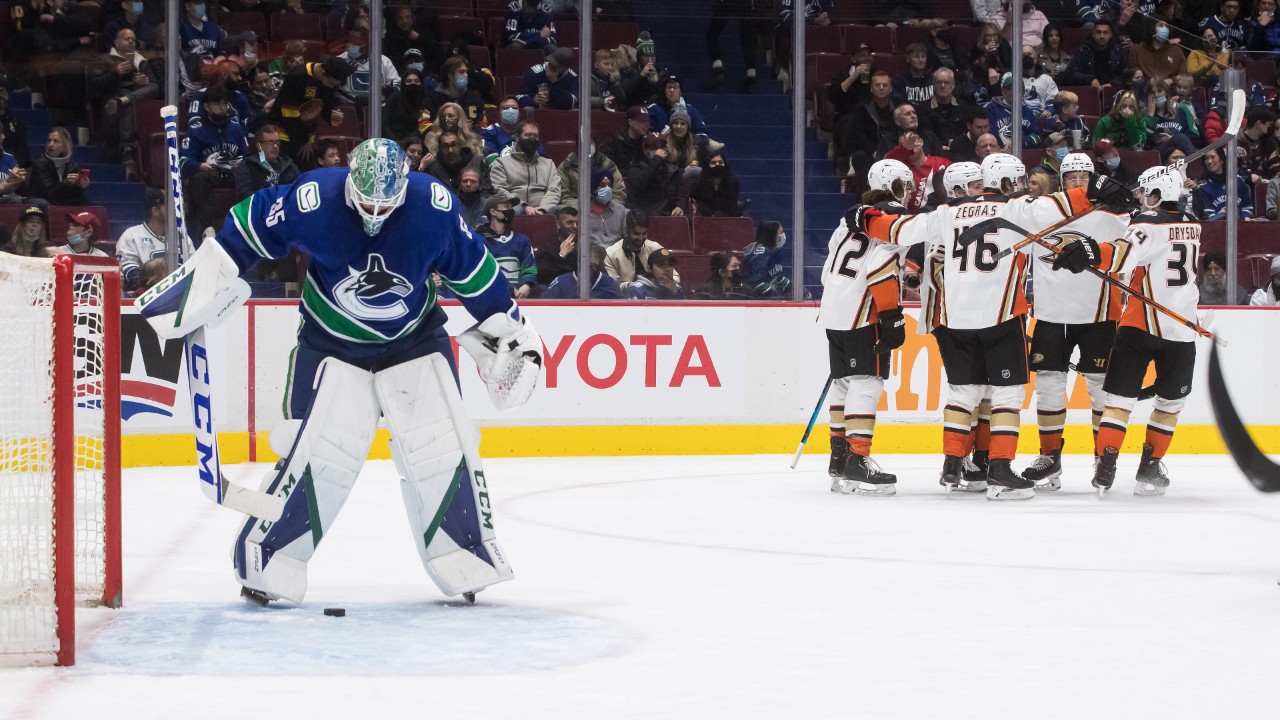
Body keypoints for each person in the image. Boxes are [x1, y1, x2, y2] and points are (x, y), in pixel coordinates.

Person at [140, 138, 540, 605]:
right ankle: (270, 560)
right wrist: (204, 278)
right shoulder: (315, 198)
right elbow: (248, 229)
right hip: (329, 343)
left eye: (383, 202)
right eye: (365, 199)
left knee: (443, 444)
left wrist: (513, 330)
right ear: (350, 181)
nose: (373, 210)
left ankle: (466, 554)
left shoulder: (432, 206)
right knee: (317, 454)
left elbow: (475, 271)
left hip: (414, 339)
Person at [854, 153, 1133, 499]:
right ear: (1004, 183)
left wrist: (867, 218)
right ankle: (999, 470)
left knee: (963, 393)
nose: (1020, 187)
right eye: (1016, 181)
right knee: (1007, 395)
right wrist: (1093, 192)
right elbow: (1058, 205)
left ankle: (952, 466)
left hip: (956, 319)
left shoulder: (945, 212)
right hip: (1000, 318)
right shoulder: (1014, 208)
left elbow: (900, 230)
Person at [1053, 165, 1201, 497]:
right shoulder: (1193, 224)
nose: (1142, 200)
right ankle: (1149, 468)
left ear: (1159, 195)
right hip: (1181, 330)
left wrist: (1090, 252)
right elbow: (1149, 235)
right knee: (1170, 404)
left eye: (1147, 194)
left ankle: (1106, 467)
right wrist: (1129, 210)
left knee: (1119, 402)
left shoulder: (1147, 223)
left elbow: (1122, 253)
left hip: (1140, 326)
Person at [1019, 152, 1133, 491]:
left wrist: (1127, 200)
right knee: (1049, 389)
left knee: (1099, 388)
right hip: (1052, 316)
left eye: (1085, 177)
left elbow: (1136, 242)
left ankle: (1102, 457)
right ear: (1062, 181)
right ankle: (1050, 457)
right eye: (1072, 178)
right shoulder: (1043, 210)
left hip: (1098, 316)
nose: (1079, 183)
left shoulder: (1112, 214)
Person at [819, 160, 909, 495]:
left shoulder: (848, 221)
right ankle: (858, 460)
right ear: (897, 185)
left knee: (843, 385)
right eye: (906, 185)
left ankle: (839, 460)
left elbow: (832, 263)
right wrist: (891, 317)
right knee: (867, 384)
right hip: (863, 312)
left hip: (833, 310)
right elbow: (881, 267)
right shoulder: (893, 217)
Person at [180, 85, 250, 234]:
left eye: (225, 104)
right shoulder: (195, 130)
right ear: (206, 106)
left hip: (233, 175)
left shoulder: (235, 128)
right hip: (210, 175)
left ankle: (246, 222)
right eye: (217, 104)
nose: (222, 107)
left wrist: (241, 165)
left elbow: (247, 155)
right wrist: (200, 166)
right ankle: (207, 226)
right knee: (199, 178)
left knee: (250, 174)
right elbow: (183, 160)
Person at [267, 56, 352, 160]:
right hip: (284, 135)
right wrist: (303, 140)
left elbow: (325, 104)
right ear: (323, 70)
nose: (331, 87)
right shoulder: (298, 76)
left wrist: (331, 116)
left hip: (306, 138)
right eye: (330, 83)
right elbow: (290, 114)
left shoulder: (329, 83)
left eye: (334, 85)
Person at [490, 120, 562, 214]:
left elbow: (554, 191)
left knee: (565, 210)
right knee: (514, 210)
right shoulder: (501, 163)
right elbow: (500, 190)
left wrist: (542, 209)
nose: (532, 139)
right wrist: (524, 206)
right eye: (528, 135)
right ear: (517, 138)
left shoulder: (548, 164)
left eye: (535, 136)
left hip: (543, 208)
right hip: (515, 206)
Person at [476, 192, 537, 298]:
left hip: (520, 295)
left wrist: (526, 285)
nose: (511, 211)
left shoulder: (522, 240)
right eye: (506, 207)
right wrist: (508, 289)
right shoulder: (479, 241)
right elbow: (482, 273)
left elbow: (529, 266)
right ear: (493, 211)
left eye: (511, 207)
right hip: (489, 297)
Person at [116, 187, 168, 293]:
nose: (175, 210)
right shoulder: (131, 235)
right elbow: (131, 274)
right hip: (146, 296)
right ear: (155, 211)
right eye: (168, 206)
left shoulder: (182, 236)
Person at [705, 0, 761, 93]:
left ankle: (718, 70)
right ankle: (751, 78)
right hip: (746, 5)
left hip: (726, 3)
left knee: (712, 36)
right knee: (748, 41)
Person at [234, 124, 299, 200]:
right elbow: (244, 194)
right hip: (261, 208)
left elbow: (301, 187)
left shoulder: (289, 166)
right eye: (270, 142)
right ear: (259, 146)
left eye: (277, 142)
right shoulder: (247, 166)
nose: (275, 146)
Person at [605, 210, 668, 288]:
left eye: (644, 233)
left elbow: (675, 277)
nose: (641, 238)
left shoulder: (656, 248)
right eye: (636, 234)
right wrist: (632, 286)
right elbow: (611, 286)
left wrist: (662, 282)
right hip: (625, 297)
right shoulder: (611, 254)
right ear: (627, 230)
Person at [29, 127, 90, 207]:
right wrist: (65, 183)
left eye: (56, 141)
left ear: (65, 145)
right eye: (49, 141)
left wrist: (80, 186)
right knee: (45, 204)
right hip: (42, 199)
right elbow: (48, 192)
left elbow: (73, 193)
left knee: (84, 200)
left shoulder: (72, 165)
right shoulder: (40, 163)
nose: (50, 145)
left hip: (61, 198)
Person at [556, 144, 626, 210]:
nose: (588, 145)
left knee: (625, 211)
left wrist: (608, 207)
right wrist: (581, 208)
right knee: (558, 209)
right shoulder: (566, 166)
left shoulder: (609, 165)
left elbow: (619, 193)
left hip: (608, 207)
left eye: (591, 142)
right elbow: (564, 196)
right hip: (576, 207)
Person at [1061, 19, 1127, 87]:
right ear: (1093, 34)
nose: (1102, 36)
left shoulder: (1119, 52)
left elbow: (1127, 75)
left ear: (1110, 35)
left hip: (1113, 91)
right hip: (1089, 90)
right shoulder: (1083, 51)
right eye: (1098, 32)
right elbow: (1072, 74)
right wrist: (1090, 79)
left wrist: (1112, 84)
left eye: (1105, 32)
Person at [543, 243, 622, 299]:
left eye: (596, 257)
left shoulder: (611, 284)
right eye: (589, 257)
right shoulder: (560, 283)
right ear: (578, 260)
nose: (593, 261)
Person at [1195, 146, 1254, 221]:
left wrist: (1246, 217)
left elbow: (1247, 207)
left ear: (1221, 160)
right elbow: (1207, 217)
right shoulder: (1204, 187)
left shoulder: (1238, 181)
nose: (1209, 161)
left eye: (1213, 157)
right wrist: (1220, 215)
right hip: (1217, 228)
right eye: (1206, 158)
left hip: (1241, 226)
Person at [741, 219, 791, 297]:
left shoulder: (774, 251)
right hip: (755, 301)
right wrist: (775, 297)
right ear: (773, 234)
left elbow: (777, 277)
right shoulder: (761, 253)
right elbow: (757, 282)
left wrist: (795, 289)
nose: (783, 234)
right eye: (781, 232)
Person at [582, 167, 628, 248]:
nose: (607, 189)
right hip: (594, 254)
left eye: (609, 185)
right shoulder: (583, 212)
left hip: (616, 254)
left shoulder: (620, 210)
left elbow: (626, 237)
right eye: (602, 185)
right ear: (593, 189)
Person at [536, 206, 580, 286]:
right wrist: (561, 256)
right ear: (559, 224)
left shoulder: (586, 247)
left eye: (577, 223)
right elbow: (542, 276)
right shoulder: (546, 248)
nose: (575, 226)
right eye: (569, 222)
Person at [688, 152, 741, 217]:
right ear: (708, 166)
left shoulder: (733, 183)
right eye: (713, 163)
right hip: (704, 219)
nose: (717, 165)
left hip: (726, 219)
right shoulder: (698, 184)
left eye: (720, 162)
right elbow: (698, 205)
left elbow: (731, 205)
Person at [481, 96, 523, 163]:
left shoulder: (526, 132)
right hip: (500, 172)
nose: (511, 110)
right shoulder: (489, 133)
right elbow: (491, 161)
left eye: (514, 108)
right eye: (506, 108)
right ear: (499, 112)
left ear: (519, 112)